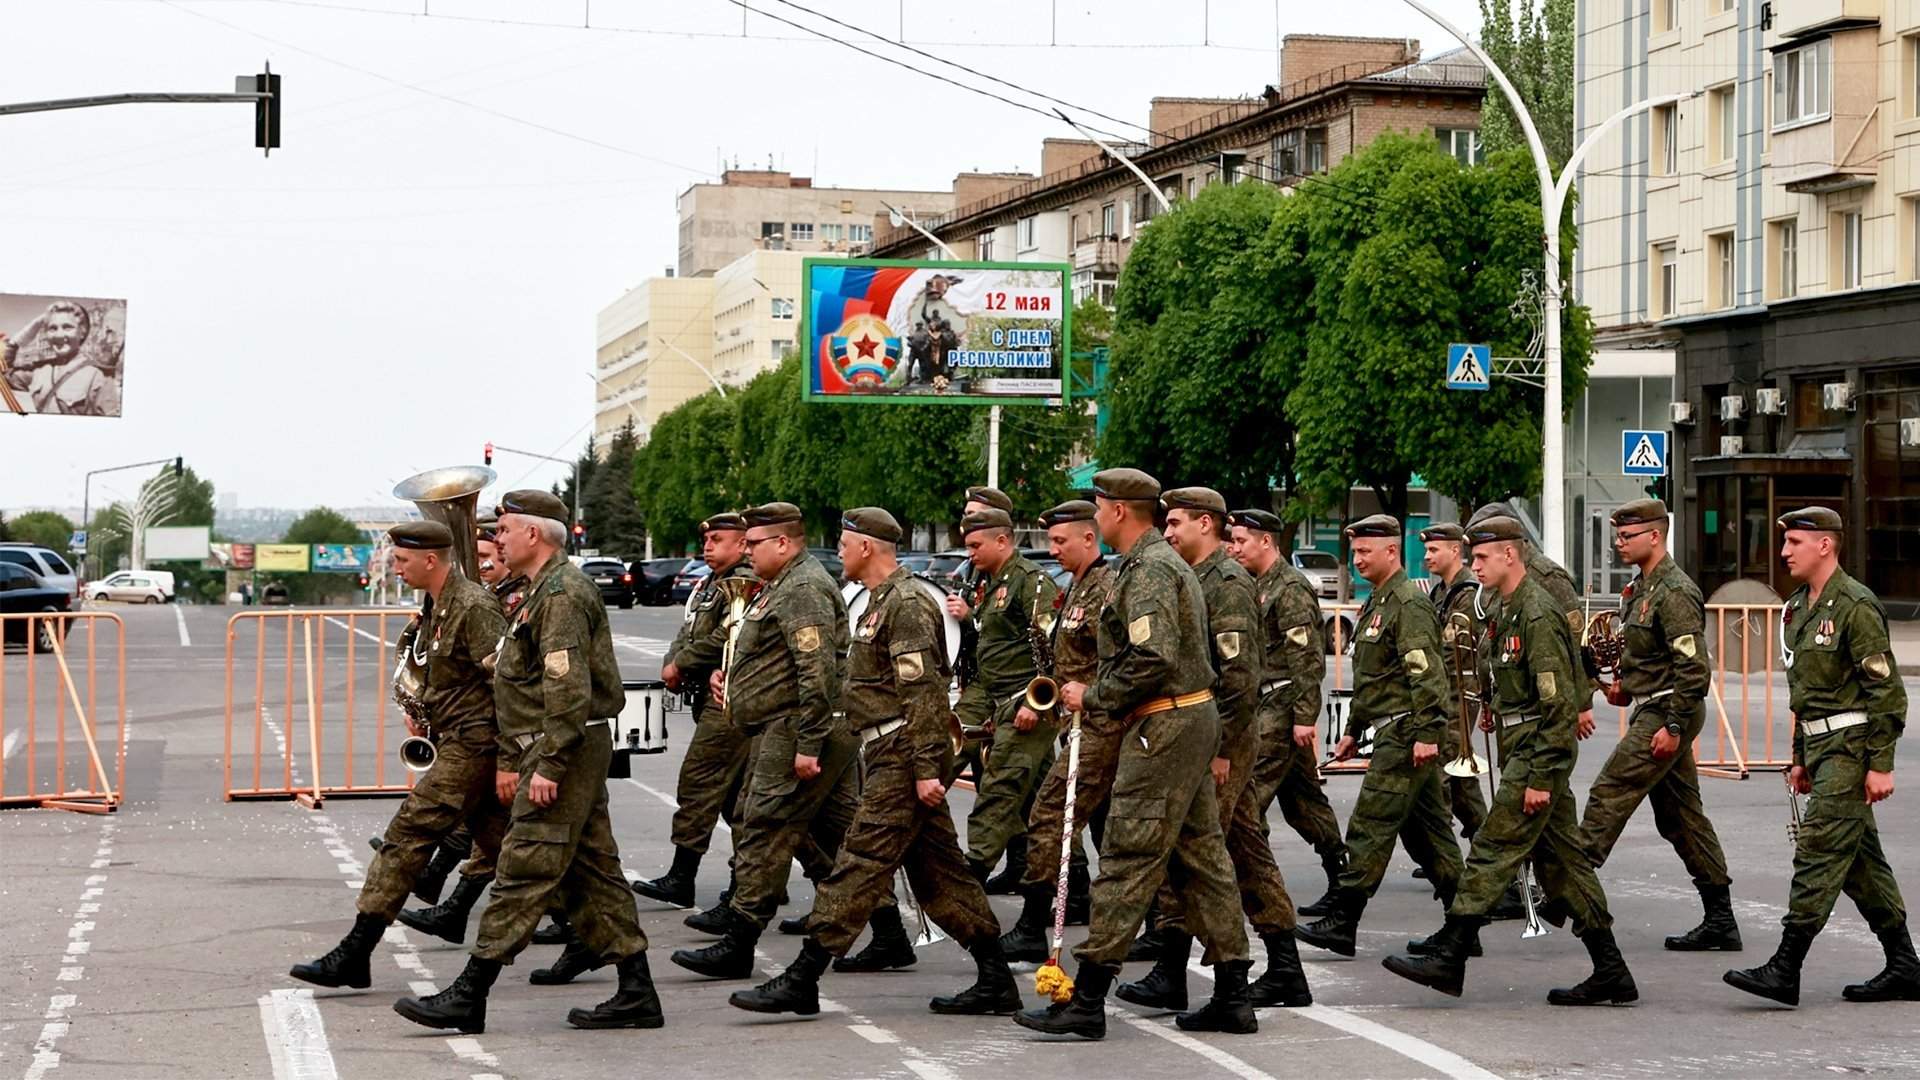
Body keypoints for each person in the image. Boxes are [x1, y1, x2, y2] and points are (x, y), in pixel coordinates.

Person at [730, 509, 1020, 1017]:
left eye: (844, 544)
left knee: (859, 863)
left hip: (904, 754)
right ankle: (995, 976)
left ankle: (804, 976)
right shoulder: (880, 602)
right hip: (890, 749)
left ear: (866, 547)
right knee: (940, 875)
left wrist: (928, 767)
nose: (838, 552)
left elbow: (924, 693)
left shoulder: (905, 603)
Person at [393, 490, 660, 1033]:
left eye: (507, 528)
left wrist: (549, 765)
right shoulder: (541, 592)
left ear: (533, 534)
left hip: (562, 745)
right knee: (596, 872)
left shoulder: (561, 594)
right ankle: (638, 991)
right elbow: (522, 670)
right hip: (560, 743)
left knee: (522, 867)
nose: (499, 537)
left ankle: (470, 992)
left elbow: (567, 691)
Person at [1013, 468, 1255, 1042]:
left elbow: (1152, 656)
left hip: (1165, 722)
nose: (1095, 517)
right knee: (1203, 859)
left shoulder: (1147, 570)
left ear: (1118, 511)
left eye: (1098, 507)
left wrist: (1091, 694)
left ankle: (1088, 998)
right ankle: (1233, 993)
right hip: (1184, 719)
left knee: (1127, 852)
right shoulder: (1153, 567)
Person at [1383, 515, 1633, 1006]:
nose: (1474, 566)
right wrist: (1497, 709)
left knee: (1492, 849)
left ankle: (1451, 953)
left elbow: (1559, 708)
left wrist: (1541, 775)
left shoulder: (1537, 613)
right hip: (1522, 744)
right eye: (1472, 558)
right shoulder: (1505, 606)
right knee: (1565, 868)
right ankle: (1612, 970)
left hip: (1537, 753)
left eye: (1481, 558)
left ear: (1510, 555)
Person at [290, 521, 509, 989]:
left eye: (402, 560)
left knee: (407, 834)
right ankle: (609, 947)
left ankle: (356, 952)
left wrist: (510, 758)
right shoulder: (435, 606)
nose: (395, 566)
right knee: (514, 852)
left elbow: (508, 685)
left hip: (476, 742)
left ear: (431, 560)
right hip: (456, 736)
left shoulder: (473, 606)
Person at [669, 503, 881, 979]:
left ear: (782, 543)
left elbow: (817, 672)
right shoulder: (782, 584)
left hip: (797, 729)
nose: (747, 551)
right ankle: (887, 929)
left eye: (753, 544)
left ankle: (740, 941)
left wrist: (807, 743)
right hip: (796, 726)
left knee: (762, 826)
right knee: (835, 835)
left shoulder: (802, 588)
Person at [1120, 488, 1310, 1013]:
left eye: (1177, 522)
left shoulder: (1226, 583)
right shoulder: (1194, 576)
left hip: (1223, 738)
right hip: (1212, 736)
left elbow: (1240, 676)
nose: (1169, 531)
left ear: (1208, 523)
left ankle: (1173, 967)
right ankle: (1286, 966)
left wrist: (1222, 747)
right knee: (1245, 849)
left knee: (1194, 852)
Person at [1724, 507, 1915, 1006]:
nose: (1784, 551)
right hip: (1821, 748)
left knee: (1817, 853)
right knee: (1859, 864)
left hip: (1852, 752)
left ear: (1824, 546)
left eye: (1794, 543)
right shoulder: (1797, 609)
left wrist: (1881, 764)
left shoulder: (1855, 605)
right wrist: (1799, 756)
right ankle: (1905, 965)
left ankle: (1785, 968)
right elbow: (1805, 693)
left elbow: (1887, 694)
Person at [1577, 499, 1740, 952]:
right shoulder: (1639, 590)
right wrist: (1621, 689)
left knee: (1611, 787)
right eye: (1618, 536)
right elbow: (1645, 657)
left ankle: (1569, 881)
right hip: (1652, 704)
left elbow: (1693, 670)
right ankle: (1721, 919)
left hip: (1670, 711)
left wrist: (1673, 725)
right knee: (1680, 818)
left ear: (1655, 536)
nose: (1619, 543)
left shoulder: (1675, 590)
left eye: (1627, 536)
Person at [1297, 515, 1463, 958]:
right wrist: (1352, 730)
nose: (1357, 560)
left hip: (1409, 732)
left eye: (1365, 552)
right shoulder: (1379, 602)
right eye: (1354, 553)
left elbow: (1427, 674)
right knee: (1429, 837)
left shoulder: (1408, 603)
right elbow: (1374, 677)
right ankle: (1465, 925)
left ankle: (1344, 922)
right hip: (1393, 728)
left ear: (1391, 552)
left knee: (1369, 825)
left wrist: (1428, 732)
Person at [1000, 500, 1120, 962]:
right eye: (1049, 542)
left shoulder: (1106, 587)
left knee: (1050, 814)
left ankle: (1034, 924)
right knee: (1111, 830)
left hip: (1100, 722)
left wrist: (1087, 693)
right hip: (1078, 721)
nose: (1053, 551)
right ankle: (1151, 923)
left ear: (1089, 538)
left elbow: (1118, 660)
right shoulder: (1075, 586)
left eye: (1060, 541)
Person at [634, 513, 758, 913]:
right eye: (706, 539)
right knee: (735, 798)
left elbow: (726, 635)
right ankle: (753, 877)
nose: (707, 546)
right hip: (710, 695)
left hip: (729, 699)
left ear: (741, 544)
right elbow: (689, 630)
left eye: (717, 540)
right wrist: (674, 659)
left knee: (699, 782)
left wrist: (682, 662)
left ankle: (682, 878)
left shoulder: (745, 583)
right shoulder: (710, 584)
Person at [1229, 509, 1348, 919]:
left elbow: (1307, 660)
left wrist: (1304, 717)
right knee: (1303, 802)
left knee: (1243, 800)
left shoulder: (1290, 587)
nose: (1235, 547)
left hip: (1281, 707)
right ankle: (1343, 878)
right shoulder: (1253, 585)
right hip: (1263, 704)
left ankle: (1248, 889)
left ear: (1266, 541)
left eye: (1242, 540)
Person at [954, 509, 1062, 896]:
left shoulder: (1031, 583)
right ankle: (1073, 879)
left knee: (1002, 785)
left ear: (1002, 541)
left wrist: (1036, 704)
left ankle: (974, 868)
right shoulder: (988, 582)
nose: (970, 554)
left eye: (975, 546)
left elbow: (1053, 648)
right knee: (1042, 795)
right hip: (991, 695)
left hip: (1023, 700)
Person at [1421, 522, 1490, 845]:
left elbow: (1454, 653)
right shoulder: (1440, 592)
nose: (1427, 556)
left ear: (1455, 551)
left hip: (1458, 692)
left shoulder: (1468, 594)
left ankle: (1442, 850)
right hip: (1444, 690)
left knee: (1441, 773)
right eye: (1426, 550)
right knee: (1459, 775)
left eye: (1434, 550)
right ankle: (1487, 841)